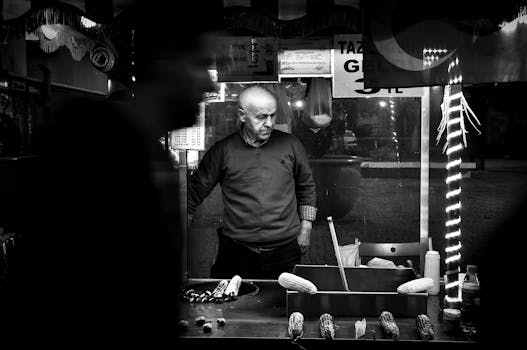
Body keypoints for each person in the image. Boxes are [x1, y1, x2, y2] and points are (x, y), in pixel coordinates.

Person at [2, 0, 219, 346]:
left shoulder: (152, 156)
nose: (207, 84)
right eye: (199, 65)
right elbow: (48, 292)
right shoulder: (91, 145)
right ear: (165, 64)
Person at [188, 86, 317, 279]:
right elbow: (195, 190)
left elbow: (306, 186)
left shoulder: (291, 145)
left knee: (283, 306)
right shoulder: (223, 151)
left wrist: (306, 228)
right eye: (261, 117)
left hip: (285, 250)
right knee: (232, 306)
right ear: (242, 115)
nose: (269, 123)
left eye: (272, 116)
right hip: (237, 251)